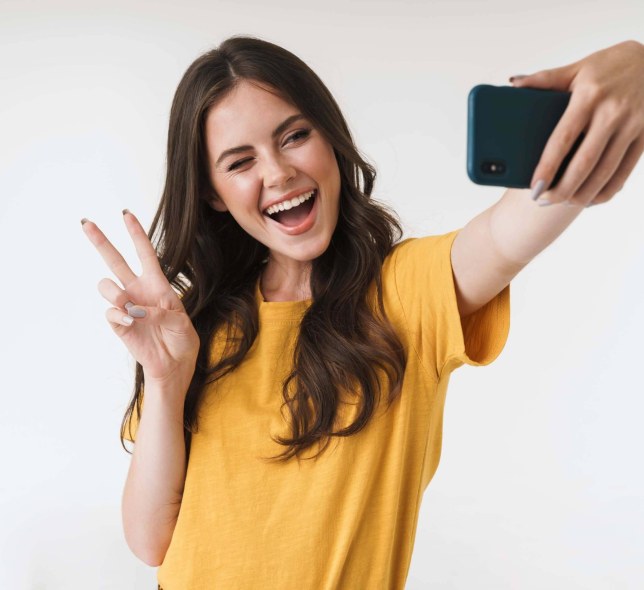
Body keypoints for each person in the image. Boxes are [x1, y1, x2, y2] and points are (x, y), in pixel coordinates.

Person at [81, 36, 644, 589]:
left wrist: (635, 64)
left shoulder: (403, 294)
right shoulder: (193, 332)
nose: (277, 173)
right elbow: (150, 541)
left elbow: (514, 227)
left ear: (330, 138)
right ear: (212, 194)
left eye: (295, 136)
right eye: (239, 162)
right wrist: (166, 377)